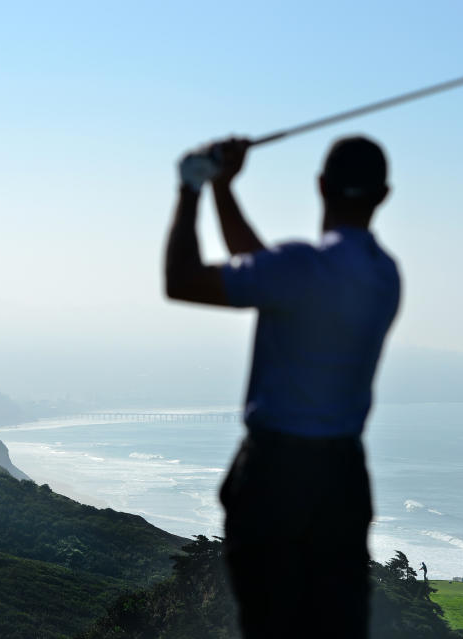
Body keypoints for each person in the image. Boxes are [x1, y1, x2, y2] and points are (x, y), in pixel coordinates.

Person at [164, 135, 400, 638]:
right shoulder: (385, 276)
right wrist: (224, 190)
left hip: (273, 477)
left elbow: (181, 279)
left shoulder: (296, 268)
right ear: (383, 196)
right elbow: (264, 269)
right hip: (342, 479)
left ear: (320, 186)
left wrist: (193, 187)